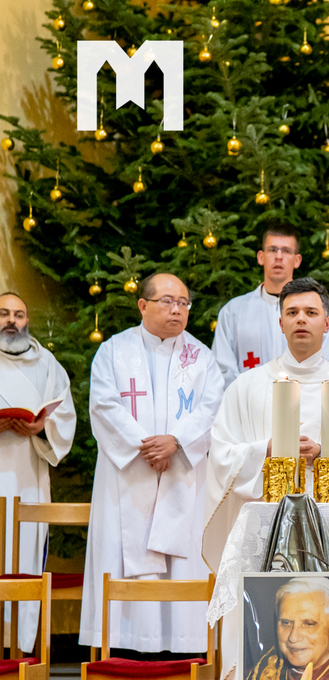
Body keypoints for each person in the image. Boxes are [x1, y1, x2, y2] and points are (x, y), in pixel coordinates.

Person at [203, 278, 329, 570]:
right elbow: (220, 455)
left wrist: (325, 454)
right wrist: (265, 449)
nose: (301, 319)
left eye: (311, 312)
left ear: (327, 324)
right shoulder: (246, 387)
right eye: (292, 313)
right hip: (265, 524)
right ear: (281, 323)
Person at [83, 273, 221, 653]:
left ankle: (185, 648)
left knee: (183, 557)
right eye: (167, 301)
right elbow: (104, 405)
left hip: (182, 473)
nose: (177, 309)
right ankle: (125, 648)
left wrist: (175, 442)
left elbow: (212, 409)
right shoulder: (113, 351)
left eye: (183, 302)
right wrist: (145, 447)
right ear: (143, 305)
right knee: (125, 547)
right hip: (129, 473)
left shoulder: (202, 358)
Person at [0, 292, 77, 652]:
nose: (12, 320)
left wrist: (41, 428)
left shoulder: (46, 362)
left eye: (19, 314)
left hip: (28, 477)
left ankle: (18, 648)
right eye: (3, 313)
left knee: (24, 554)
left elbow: (63, 415)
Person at [211, 226, 329, 387]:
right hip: (249, 407)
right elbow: (223, 370)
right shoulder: (233, 311)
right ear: (261, 257)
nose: (279, 257)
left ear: (297, 260)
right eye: (272, 250)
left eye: (287, 251)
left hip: (304, 405)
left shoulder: (319, 312)